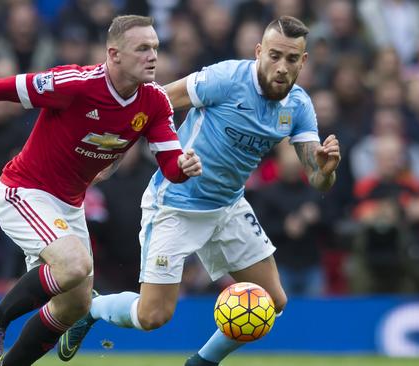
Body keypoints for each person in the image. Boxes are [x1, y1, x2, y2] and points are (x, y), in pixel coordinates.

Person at [0, 15, 202, 366]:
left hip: (68, 204)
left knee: (76, 304)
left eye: (155, 47)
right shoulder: (75, 83)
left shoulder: (154, 102)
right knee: (75, 265)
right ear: (115, 54)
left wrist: (183, 169)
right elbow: (1, 89)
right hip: (24, 191)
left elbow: (170, 164)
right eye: (142, 48)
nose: (153, 56)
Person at [58, 16, 341, 366]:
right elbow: (156, 102)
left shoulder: (298, 106)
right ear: (258, 52)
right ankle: (94, 308)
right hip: (177, 203)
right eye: (274, 55)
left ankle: (203, 362)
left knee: (272, 301)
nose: (282, 67)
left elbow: (317, 178)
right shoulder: (225, 78)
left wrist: (326, 171)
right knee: (153, 317)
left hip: (228, 207)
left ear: (304, 61)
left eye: (292, 59)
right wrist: (115, 154)